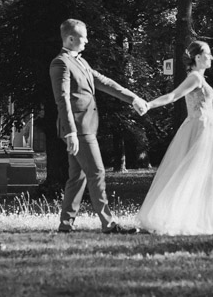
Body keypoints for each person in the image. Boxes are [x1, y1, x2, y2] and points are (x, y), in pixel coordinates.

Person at [49, 19, 148, 233]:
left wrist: (134, 99)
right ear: (71, 38)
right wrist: (71, 132)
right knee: (97, 172)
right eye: (84, 37)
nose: (87, 41)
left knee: (78, 177)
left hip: (87, 127)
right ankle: (108, 224)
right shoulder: (61, 63)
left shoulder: (82, 63)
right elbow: (62, 99)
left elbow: (106, 82)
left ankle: (66, 225)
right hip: (78, 128)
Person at [136, 40, 213, 236]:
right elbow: (173, 96)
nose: (211, 57)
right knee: (191, 172)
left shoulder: (200, 78)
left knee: (202, 174)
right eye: (208, 54)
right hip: (198, 127)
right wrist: (149, 105)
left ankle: (201, 221)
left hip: (206, 127)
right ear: (198, 57)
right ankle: (175, 218)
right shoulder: (194, 78)